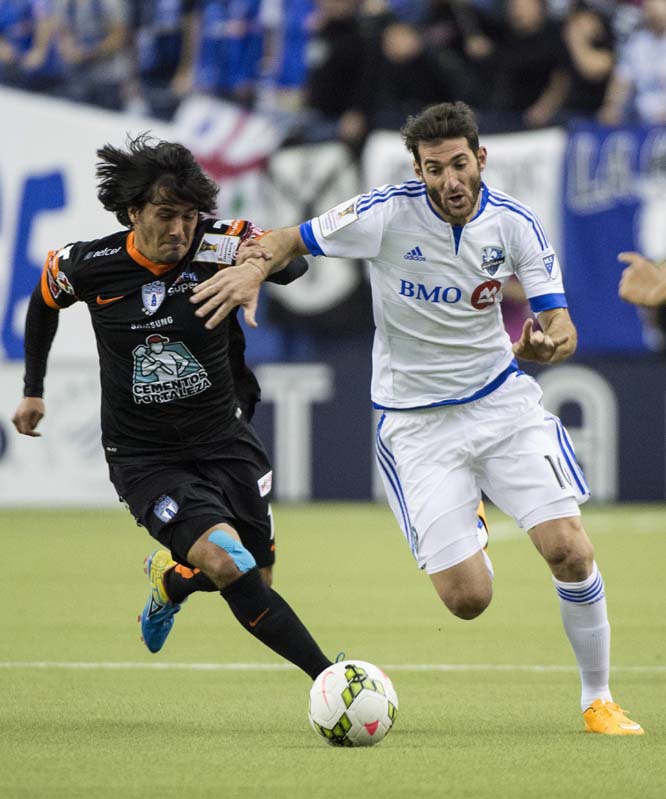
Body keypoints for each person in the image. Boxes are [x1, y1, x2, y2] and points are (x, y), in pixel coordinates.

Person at [189, 100, 644, 735]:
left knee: (569, 550)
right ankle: (473, 517)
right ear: (418, 169)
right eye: (435, 169)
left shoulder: (516, 226)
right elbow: (290, 238)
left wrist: (550, 343)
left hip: (501, 404)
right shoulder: (384, 213)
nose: (450, 181)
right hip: (416, 425)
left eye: (460, 164)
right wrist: (251, 270)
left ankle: (598, 699)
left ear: (480, 158)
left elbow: (559, 322)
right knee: (466, 601)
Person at [11, 133, 333, 682]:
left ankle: (171, 581)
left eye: (189, 216)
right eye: (165, 215)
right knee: (228, 560)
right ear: (133, 212)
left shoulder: (218, 244)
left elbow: (293, 267)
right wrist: (33, 387)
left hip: (225, 437)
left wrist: (257, 264)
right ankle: (333, 679)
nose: (180, 230)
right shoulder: (88, 264)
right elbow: (43, 303)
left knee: (256, 576)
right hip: (144, 456)